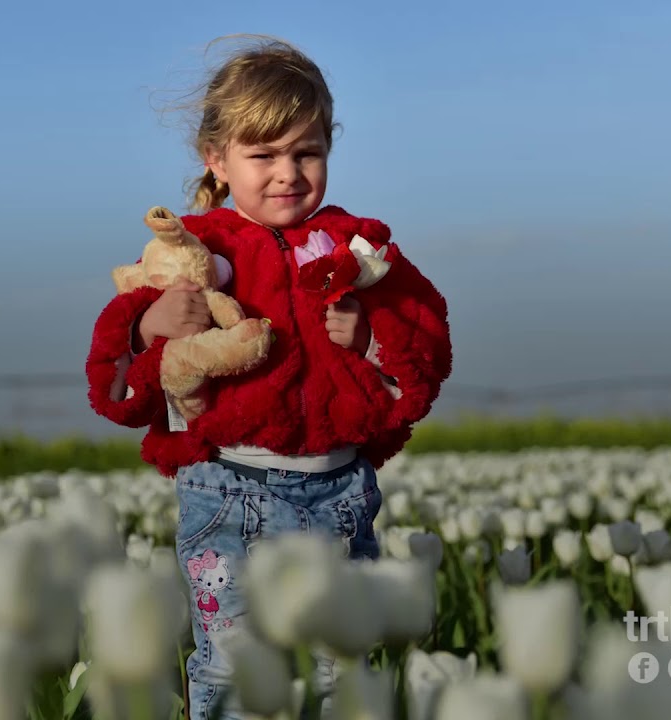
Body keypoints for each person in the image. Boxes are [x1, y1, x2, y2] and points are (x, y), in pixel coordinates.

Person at [84, 35, 452, 720]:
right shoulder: (188, 256)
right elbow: (114, 374)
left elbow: (427, 338)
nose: (288, 173)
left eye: (306, 152)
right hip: (227, 489)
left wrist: (371, 337)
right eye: (264, 155)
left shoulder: (360, 249)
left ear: (329, 150)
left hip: (337, 490)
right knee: (228, 669)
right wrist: (151, 327)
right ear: (216, 160)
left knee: (340, 671)